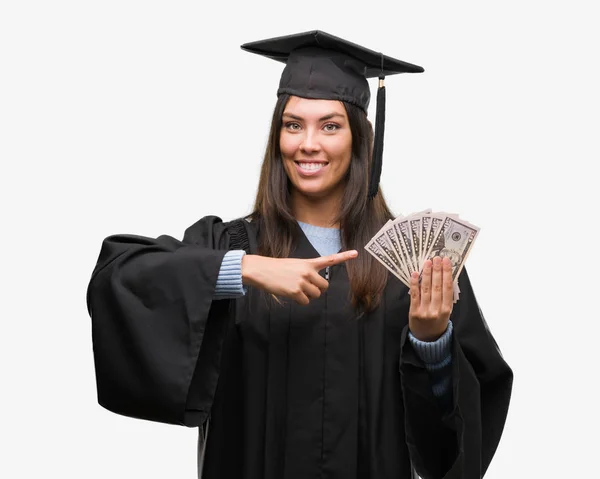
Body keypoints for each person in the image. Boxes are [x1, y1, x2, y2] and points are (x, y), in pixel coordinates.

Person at [86, 30, 513, 479]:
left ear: (360, 140)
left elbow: (457, 440)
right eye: (293, 125)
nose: (308, 143)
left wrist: (431, 342)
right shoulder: (230, 247)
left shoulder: (414, 267)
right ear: (278, 137)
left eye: (330, 125)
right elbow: (118, 278)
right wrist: (245, 270)